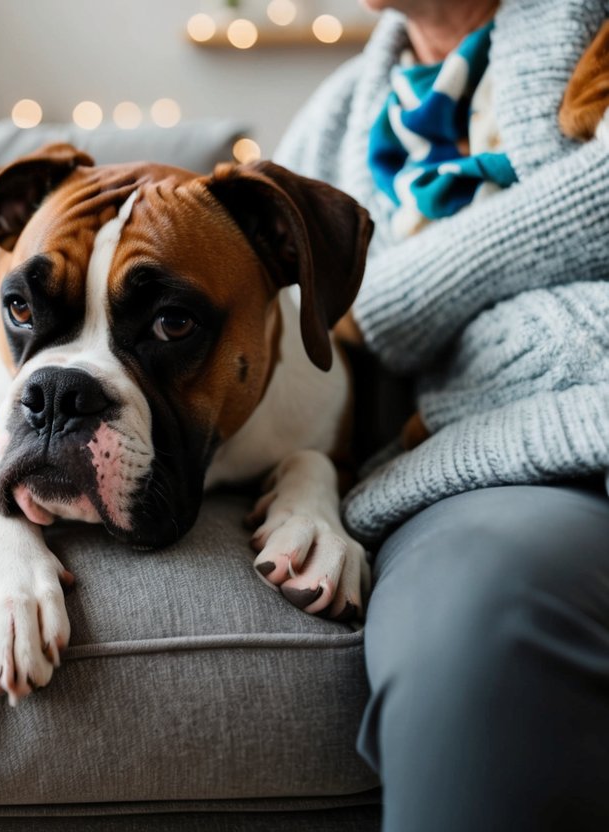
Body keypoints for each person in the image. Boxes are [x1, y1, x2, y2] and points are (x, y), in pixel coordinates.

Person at [274, 0, 609, 829]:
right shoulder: (335, 121)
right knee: (481, 611)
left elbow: (348, 325)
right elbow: (277, 347)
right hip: (488, 479)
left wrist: (390, 301)